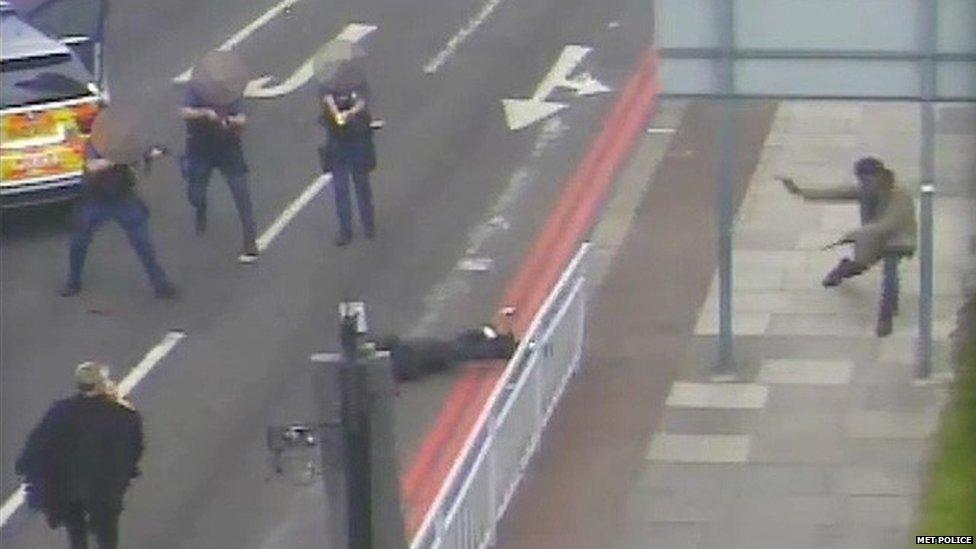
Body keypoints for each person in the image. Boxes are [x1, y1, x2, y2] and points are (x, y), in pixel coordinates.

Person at [778, 157, 917, 336]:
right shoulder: (864, 191)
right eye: (861, 180)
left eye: (868, 179)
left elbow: (890, 224)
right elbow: (836, 193)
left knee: (890, 273)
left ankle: (886, 316)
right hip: (872, 238)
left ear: (880, 176)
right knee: (858, 263)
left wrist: (858, 233)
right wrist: (800, 191)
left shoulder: (899, 195)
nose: (865, 184)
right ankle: (840, 272)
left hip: (898, 238)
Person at [15, 362, 144, 549]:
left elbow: (39, 442)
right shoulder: (123, 414)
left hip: (67, 487)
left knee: (76, 532)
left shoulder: (61, 410)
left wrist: (25, 466)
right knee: (107, 532)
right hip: (104, 488)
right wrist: (127, 473)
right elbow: (133, 448)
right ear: (103, 383)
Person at [61, 145, 176, 299]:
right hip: (96, 200)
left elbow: (147, 152)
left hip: (123, 198)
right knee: (78, 241)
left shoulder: (127, 140)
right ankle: (73, 281)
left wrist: (163, 150)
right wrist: (121, 157)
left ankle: (160, 284)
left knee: (142, 242)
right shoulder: (96, 142)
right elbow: (93, 165)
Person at [180, 83, 259, 263]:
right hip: (200, 149)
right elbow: (184, 111)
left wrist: (230, 121)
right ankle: (201, 208)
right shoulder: (197, 90)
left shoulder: (231, 92)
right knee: (195, 193)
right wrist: (205, 114)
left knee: (242, 195)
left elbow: (242, 118)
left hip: (228, 149)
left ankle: (250, 241)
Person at [318, 67, 377, 246]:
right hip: (337, 141)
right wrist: (336, 113)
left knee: (362, 184)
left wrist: (351, 113)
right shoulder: (327, 84)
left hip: (358, 139)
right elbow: (326, 100)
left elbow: (362, 101)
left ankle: (368, 224)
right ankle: (345, 230)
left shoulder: (358, 81)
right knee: (340, 188)